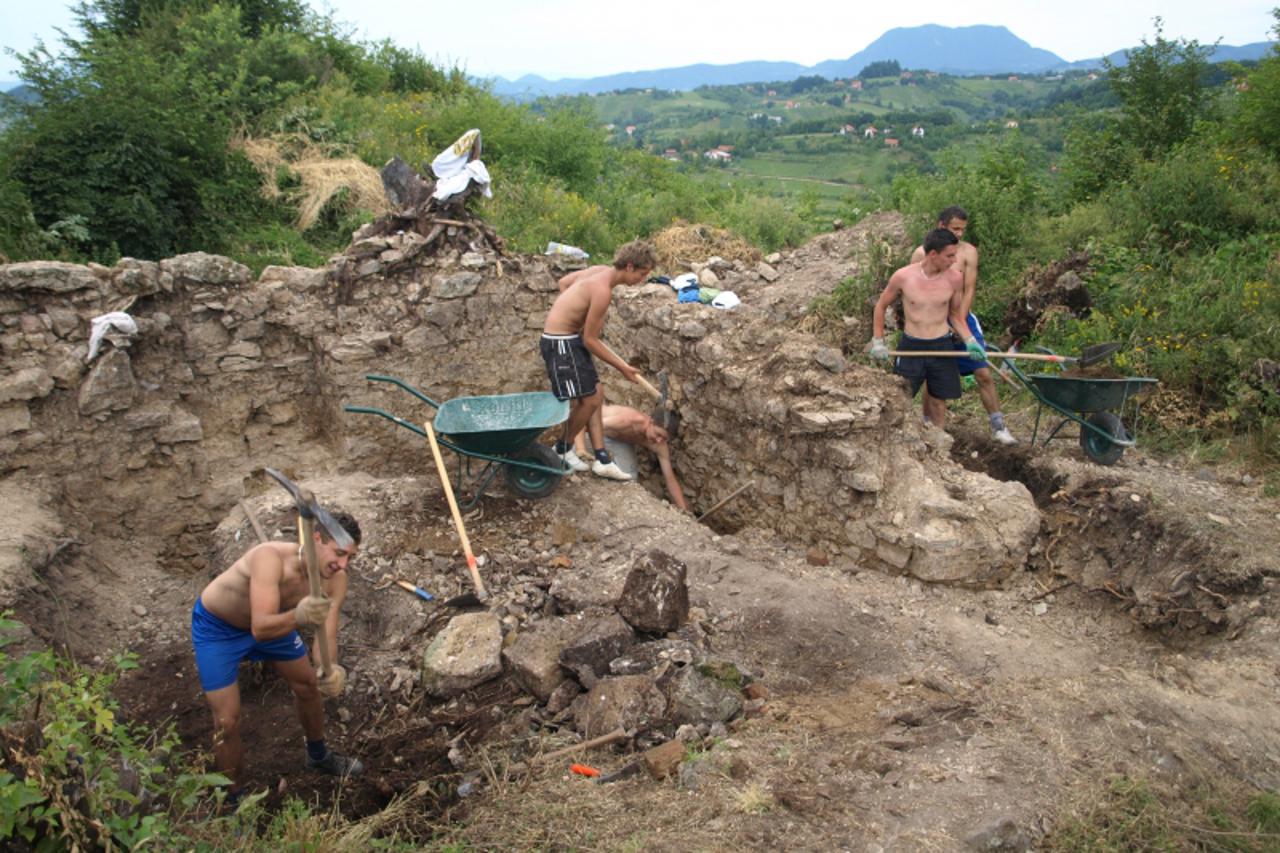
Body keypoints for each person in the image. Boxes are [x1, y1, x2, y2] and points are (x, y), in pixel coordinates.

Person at [191, 513, 364, 805]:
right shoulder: (269, 558)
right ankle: (234, 800)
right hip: (219, 629)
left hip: (279, 625)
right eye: (339, 553)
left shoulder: (335, 581)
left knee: (308, 686)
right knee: (226, 721)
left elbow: (327, 637)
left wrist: (328, 670)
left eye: (350, 557)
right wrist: (298, 615)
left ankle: (318, 755)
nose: (343, 565)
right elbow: (260, 627)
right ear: (317, 539)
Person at [541, 240, 657, 481]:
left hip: (568, 338)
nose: (642, 280)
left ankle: (602, 459)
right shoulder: (602, 292)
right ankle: (562, 449)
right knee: (590, 399)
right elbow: (591, 340)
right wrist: (623, 367)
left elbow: (564, 284)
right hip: (561, 343)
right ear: (629, 266)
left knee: (598, 391)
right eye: (643, 274)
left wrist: (571, 313)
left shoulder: (599, 271)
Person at [909, 206, 1016, 444]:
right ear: (941, 226)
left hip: (962, 319)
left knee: (983, 371)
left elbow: (969, 289)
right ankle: (929, 425)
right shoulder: (921, 254)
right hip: (932, 321)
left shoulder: (968, 252)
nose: (959, 234)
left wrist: (959, 324)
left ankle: (998, 426)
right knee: (932, 376)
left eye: (962, 229)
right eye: (954, 228)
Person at [870, 228, 984, 429]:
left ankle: (939, 446)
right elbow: (880, 306)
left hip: (941, 345)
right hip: (912, 347)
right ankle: (898, 439)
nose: (954, 260)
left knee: (938, 400)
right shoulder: (904, 277)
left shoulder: (954, 278)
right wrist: (878, 341)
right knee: (900, 398)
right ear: (933, 254)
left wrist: (970, 341)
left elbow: (955, 316)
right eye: (949, 255)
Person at [574, 404, 690, 512]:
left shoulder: (659, 444)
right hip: (597, 432)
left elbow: (669, 477)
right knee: (569, 456)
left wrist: (684, 510)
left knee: (630, 479)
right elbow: (584, 422)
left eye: (664, 438)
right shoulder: (626, 421)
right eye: (658, 434)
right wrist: (580, 450)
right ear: (651, 421)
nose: (659, 440)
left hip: (620, 443)